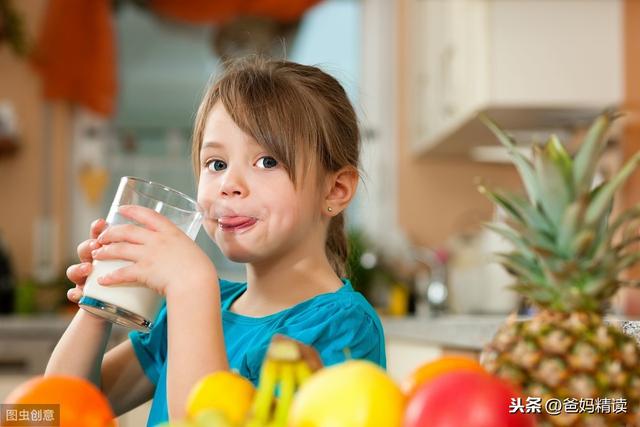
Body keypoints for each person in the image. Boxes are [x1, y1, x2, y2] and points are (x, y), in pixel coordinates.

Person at [45, 57, 386, 426]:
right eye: (216, 164)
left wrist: (191, 286)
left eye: (267, 161)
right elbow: (57, 412)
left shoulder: (345, 327)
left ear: (335, 190)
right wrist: (99, 305)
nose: (228, 184)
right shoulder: (201, 307)